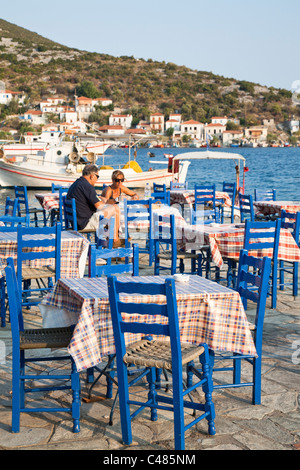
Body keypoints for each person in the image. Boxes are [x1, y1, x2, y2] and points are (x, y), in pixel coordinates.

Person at [66, 164, 121, 247]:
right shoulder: (87, 186)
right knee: (115, 208)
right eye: (97, 177)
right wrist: (104, 202)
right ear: (92, 176)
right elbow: (99, 206)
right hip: (84, 223)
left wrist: (101, 199)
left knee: (111, 213)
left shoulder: (77, 183)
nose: (97, 180)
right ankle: (114, 241)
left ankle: (110, 242)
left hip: (76, 222)